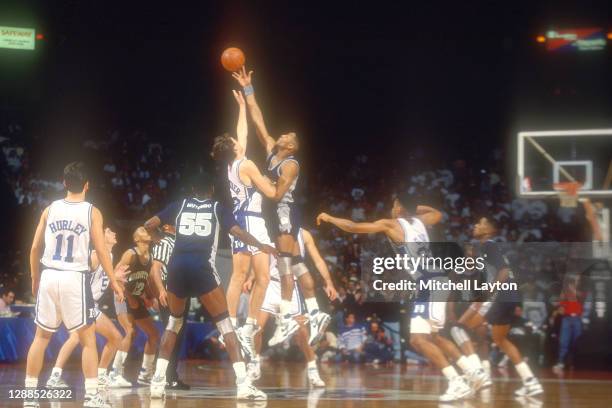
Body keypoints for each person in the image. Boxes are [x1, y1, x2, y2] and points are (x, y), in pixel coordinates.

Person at [317, 193, 473, 402]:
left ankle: (457, 381)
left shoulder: (392, 224)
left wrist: (331, 218)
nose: (391, 208)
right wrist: (412, 207)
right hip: (435, 281)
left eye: (394, 204)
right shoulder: (420, 221)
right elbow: (437, 213)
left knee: (419, 339)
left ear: (399, 208)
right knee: (430, 337)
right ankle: (470, 373)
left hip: (428, 284)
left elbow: (354, 227)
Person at [145, 170, 276, 400]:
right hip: (202, 268)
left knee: (173, 324)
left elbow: (148, 224)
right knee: (226, 325)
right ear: (212, 190)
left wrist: (161, 239)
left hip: (176, 268)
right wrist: (260, 245)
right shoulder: (217, 207)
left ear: (193, 190)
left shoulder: (179, 205)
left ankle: (157, 382)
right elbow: (236, 231)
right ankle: (244, 385)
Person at [234, 67, 330, 346]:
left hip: (284, 213)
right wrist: (249, 88)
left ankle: (287, 316)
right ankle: (315, 311)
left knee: (285, 264)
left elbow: (276, 195)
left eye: (287, 136)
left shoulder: (289, 165)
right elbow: (257, 117)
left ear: (291, 147)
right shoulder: (273, 151)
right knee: (297, 264)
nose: (282, 134)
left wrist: (260, 179)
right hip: (276, 215)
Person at [25, 161, 124, 408]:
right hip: (74, 278)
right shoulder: (92, 211)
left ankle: (29, 397)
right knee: (88, 338)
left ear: (64, 183)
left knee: (40, 338)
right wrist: (114, 281)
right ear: (87, 185)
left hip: (49, 275)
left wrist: (35, 277)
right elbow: (101, 250)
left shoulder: (49, 209)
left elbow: (35, 248)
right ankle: (91, 397)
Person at [210, 89, 277, 360]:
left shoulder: (231, 165)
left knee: (241, 276)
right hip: (253, 221)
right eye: (235, 141)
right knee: (260, 277)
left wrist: (240, 106)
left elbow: (243, 133)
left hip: (240, 219)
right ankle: (248, 325)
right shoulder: (247, 165)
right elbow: (271, 193)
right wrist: (279, 183)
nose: (239, 140)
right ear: (235, 148)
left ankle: (232, 327)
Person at [455, 216, 543, 397]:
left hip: (500, 297)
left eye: (480, 223)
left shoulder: (488, 245)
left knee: (459, 329)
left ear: (488, 230)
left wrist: (490, 291)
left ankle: (478, 374)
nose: (475, 225)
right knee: (500, 340)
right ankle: (530, 381)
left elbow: (503, 271)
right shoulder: (489, 247)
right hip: (510, 297)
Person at [46, 227, 129, 389]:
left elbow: (102, 281)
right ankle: (100, 377)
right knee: (115, 337)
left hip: (86, 303)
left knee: (77, 338)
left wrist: (115, 278)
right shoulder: (96, 255)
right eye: (109, 231)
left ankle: (55, 376)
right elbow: (79, 274)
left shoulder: (108, 256)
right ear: (100, 236)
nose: (114, 233)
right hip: (82, 302)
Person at [244, 243, 326, 388]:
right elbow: (259, 260)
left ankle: (313, 370)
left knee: (301, 333)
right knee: (256, 328)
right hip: (270, 286)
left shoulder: (302, 234)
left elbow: (316, 260)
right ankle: (254, 362)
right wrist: (251, 277)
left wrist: (329, 281)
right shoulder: (268, 231)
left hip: (291, 287)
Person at [109, 227, 160, 387]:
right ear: (136, 239)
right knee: (130, 331)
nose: (147, 232)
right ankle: (114, 374)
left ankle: (145, 374)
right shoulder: (130, 254)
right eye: (143, 231)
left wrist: (149, 296)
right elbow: (115, 277)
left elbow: (144, 281)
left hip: (137, 297)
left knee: (154, 334)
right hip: (122, 295)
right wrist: (129, 297)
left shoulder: (150, 257)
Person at [149, 225, 190, 389]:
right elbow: (155, 269)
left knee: (177, 333)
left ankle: (170, 375)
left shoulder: (178, 243)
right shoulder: (164, 242)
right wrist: (160, 290)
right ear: (167, 227)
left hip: (181, 289)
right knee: (172, 332)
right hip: (169, 288)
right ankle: (165, 376)